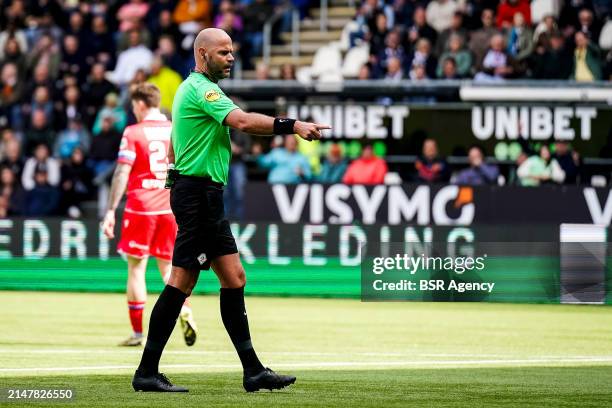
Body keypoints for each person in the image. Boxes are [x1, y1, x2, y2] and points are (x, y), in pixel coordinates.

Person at [132, 28, 329, 393]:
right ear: (202, 54)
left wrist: (183, 172)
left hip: (203, 194)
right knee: (181, 281)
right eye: (223, 52)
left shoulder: (196, 91)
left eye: (232, 51)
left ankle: (253, 371)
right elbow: (240, 121)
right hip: (198, 196)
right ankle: (146, 372)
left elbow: (176, 147)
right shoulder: (202, 89)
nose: (231, 57)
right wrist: (292, 125)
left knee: (234, 277)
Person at [101, 83, 198, 348]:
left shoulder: (133, 132)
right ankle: (185, 309)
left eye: (134, 106)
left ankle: (137, 333)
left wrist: (110, 210)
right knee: (170, 269)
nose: (133, 111)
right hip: (169, 206)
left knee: (136, 268)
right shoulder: (174, 129)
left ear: (142, 104)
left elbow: (122, 172)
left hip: (141, 207)